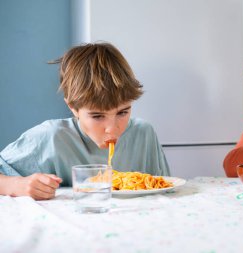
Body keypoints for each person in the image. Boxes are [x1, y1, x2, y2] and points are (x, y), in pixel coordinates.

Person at [0, 42, 170, 200]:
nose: (112, 129)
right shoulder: (50, 137)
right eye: (97, 116)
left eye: (123, 112)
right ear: (73, 107)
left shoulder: (143, 133)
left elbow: (164, 190)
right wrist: (17, 185)